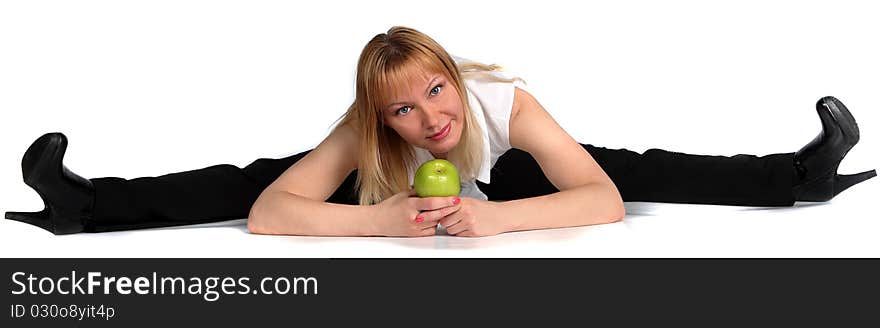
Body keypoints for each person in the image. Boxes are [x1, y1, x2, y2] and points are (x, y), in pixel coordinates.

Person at [5, 26, 876, 237]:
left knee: (627, 163)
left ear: (457, 77)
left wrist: (490, 217)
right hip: (393, 196)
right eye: (404, 110)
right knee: (250, 176)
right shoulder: (371, 132)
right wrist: (380, 222)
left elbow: (605, 204)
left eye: (436, 90)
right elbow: (271, 214)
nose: (432, 119)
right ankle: (84, 208)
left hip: (508, 183)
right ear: (381, 116)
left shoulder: (503, 105)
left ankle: (796, 176)